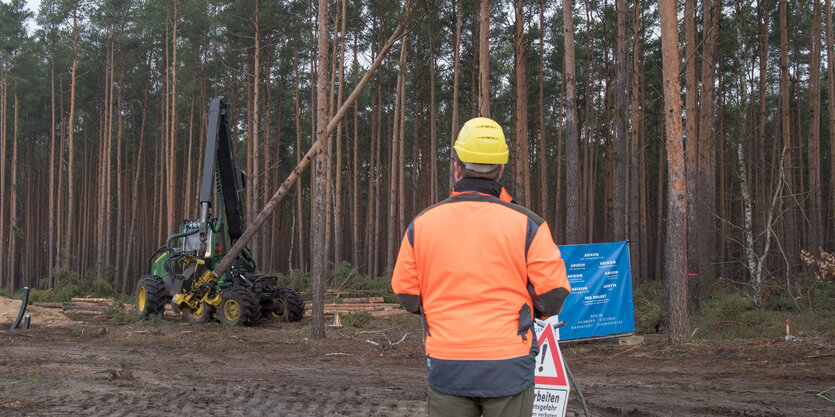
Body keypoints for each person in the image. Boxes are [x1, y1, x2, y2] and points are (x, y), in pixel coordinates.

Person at [391, 117, 571, 417]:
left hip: (448, 365)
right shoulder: (529, 225)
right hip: (509, 366)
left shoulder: (421, 225)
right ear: (501, 170)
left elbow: (406, 294)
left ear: (457, 167)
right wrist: (529, 309)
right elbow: (553, 295)